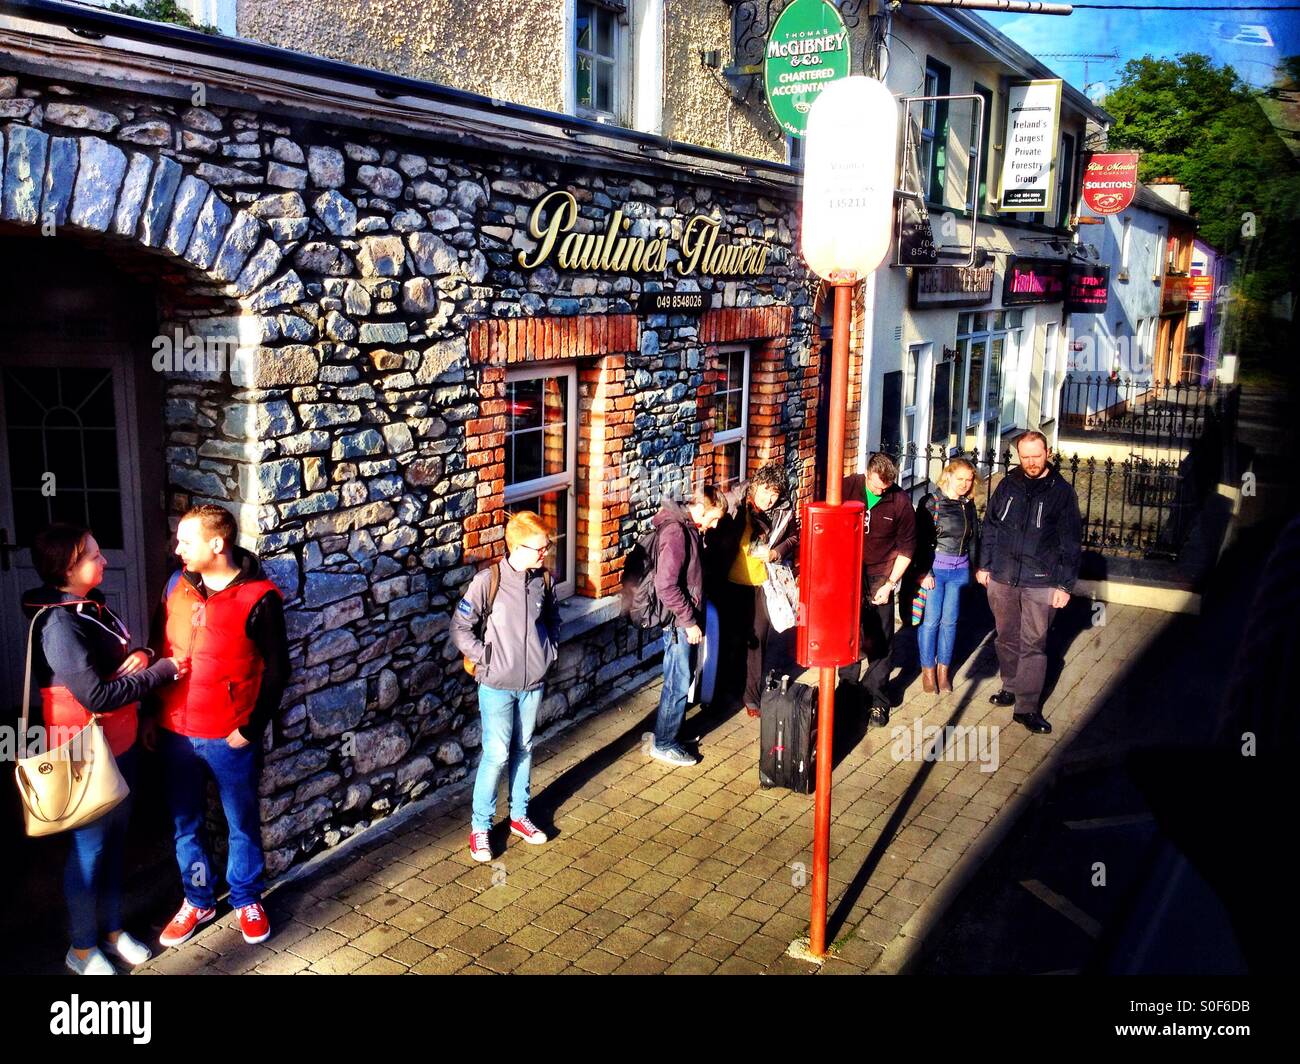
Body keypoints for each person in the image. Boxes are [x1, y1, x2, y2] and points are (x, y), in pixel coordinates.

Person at [21, 524, 186, 975]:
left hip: (120, 742)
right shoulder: (59, 624)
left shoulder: (90, 606)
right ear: (68, 568)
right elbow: (97, 696)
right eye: (94, 555)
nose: (104, 559)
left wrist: (145, 655)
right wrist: (163, 670)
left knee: (116, 845)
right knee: (89, 852)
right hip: (84, 756)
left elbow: (117, 668)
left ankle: (112, 932)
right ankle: (79, 949)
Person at [152, 504, 289, 947]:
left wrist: (251, 727)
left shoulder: (260, 597)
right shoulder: (175, 584)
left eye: (185, 542)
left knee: (240, 821)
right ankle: (198, 898)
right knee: (186, 823)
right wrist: (148, 715)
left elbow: (277, 669)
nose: (177, 550)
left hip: (230, 734)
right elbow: (159, 649)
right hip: (174, 728)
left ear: (217, 544)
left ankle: (247, 897)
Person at [450, 511, 560, 863]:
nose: (545, 554)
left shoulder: (544, 581)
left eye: (546, 548)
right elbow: (460, 627)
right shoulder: (488, 581)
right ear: (517, 546)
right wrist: (485, 658)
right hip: (496, 685)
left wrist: (549, 651)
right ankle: (480, 828)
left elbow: (553, 620)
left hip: (533, 684)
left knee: (524, 748)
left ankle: (518, 816)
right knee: (496, 754)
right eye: (540, 548)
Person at [976, 431, 1081, 734]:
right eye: (1025, 457)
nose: (1031, 462)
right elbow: (991, 526)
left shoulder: (1062, 492)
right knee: (1006, 637)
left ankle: (1027, 708)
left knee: (1034, 644)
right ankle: (1010, 686)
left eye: (1036, 456)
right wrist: (984, 566)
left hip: (1041, 581)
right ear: (1018, 455)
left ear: (1048, 452)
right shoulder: (1008, 484)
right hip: (1003, 577)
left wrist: (1064, 586)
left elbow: (1071, 542)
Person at [647, 483, 727, 766]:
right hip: (680, 623)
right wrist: (690, 621)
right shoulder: (677, 532)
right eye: (714, 517)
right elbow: (666, 585)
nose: (715, 525)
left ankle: (670, 733)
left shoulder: (688, 528)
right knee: (678, 681)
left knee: (679, 678)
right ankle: (665, 743)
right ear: (700, 509)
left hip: (684, 620)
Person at [710, 463, 799, 717]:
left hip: (761, 583)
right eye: (766, 493)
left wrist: (776, 552)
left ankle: (752, 696)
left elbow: (794, 537)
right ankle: (725, 692)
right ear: (756, 485)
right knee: (730, 637)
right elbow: (715, 540)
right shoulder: (736, 506)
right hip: (730, 581)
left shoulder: (782, 511)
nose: (770, 500)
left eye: (775, 494)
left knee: (758, 639)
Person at [840, 453, 916, 724]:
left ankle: (877, 699)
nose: (880, 490)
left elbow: (907, 549)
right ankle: (847, 691)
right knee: (848, 633)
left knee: (880, 639)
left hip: (880, 575)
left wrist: (890, 584)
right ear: (867, 473)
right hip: (848, 573)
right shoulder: (847, 486)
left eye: (885, 486)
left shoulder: (901, 502)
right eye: (875, 484)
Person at [913, 458, 981, 695]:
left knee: (950, 623)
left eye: (969, 479)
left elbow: (973, 539)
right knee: (931, 622)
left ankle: (944, 671)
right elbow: (920, 541)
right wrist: (924, 572)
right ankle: (928, 671)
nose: (964, 484)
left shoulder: (967, 504)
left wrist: (975, 568)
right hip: (936, 571)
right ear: (948, 476)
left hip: (960, 571)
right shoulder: (931, 503)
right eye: (960, 478)